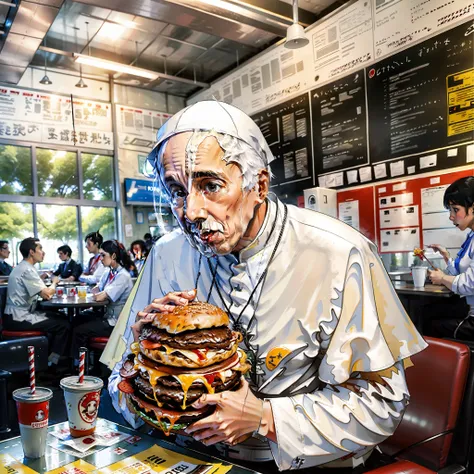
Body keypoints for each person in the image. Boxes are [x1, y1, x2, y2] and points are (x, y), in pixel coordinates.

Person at [106, 101, 427, 472]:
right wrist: (141, 360)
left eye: (210, 185)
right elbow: (118, 385)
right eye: (176, 191)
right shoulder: (166, 253)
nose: (190, 211)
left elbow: (382, 403)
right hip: (191, 456)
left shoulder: (340, 252)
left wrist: (265, 417)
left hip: (306, 463)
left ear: (258, 185)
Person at [3, 237, 70, 366]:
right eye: (40, 248)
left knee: (60, 317)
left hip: (18, 314)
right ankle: (53, 363)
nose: (43, 252)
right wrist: (55, 282)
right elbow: (46, 294)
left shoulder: (26, 267)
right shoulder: (26, 269)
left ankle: (51, 359)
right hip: (17, 318)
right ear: (31, 252)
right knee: (63, 325)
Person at [428, 176, 474, 339]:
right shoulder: (471, 236)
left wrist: (441, 278)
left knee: (427, 324)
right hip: (469, 309)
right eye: (450, 210)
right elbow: (461, 276)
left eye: (455, 209)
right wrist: (447, 257)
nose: (451, 216)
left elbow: (468, 285)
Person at [71, 239, 133, 361]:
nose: (100, 258)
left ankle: (80, 366)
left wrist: (97, 293)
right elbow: (96, 289)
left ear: (114, 256)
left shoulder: (123, 276)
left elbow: (100, 296)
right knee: (76, 319)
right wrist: (97, 292)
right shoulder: (109, 272)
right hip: (105, 315)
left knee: (79, 331)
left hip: (115, 322)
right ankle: (75, 361)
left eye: (103, 255)